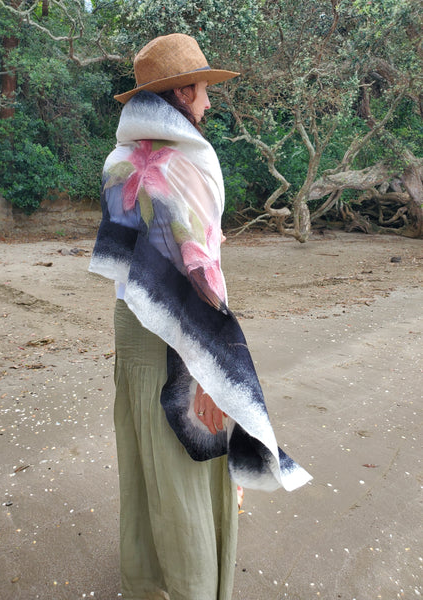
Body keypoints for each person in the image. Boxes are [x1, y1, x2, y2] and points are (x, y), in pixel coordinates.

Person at [89, 33, 311, 600]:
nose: (209, 103)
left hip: (132, 333)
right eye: (204, 91)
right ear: (184, 92)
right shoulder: (194, 159)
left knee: (144, 464)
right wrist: (212, 373)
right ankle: (191, 587)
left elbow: (127, 271)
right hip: (181, 339)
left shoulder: (117, 160)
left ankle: (147, 582)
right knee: (188, 468)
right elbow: (202, 272)